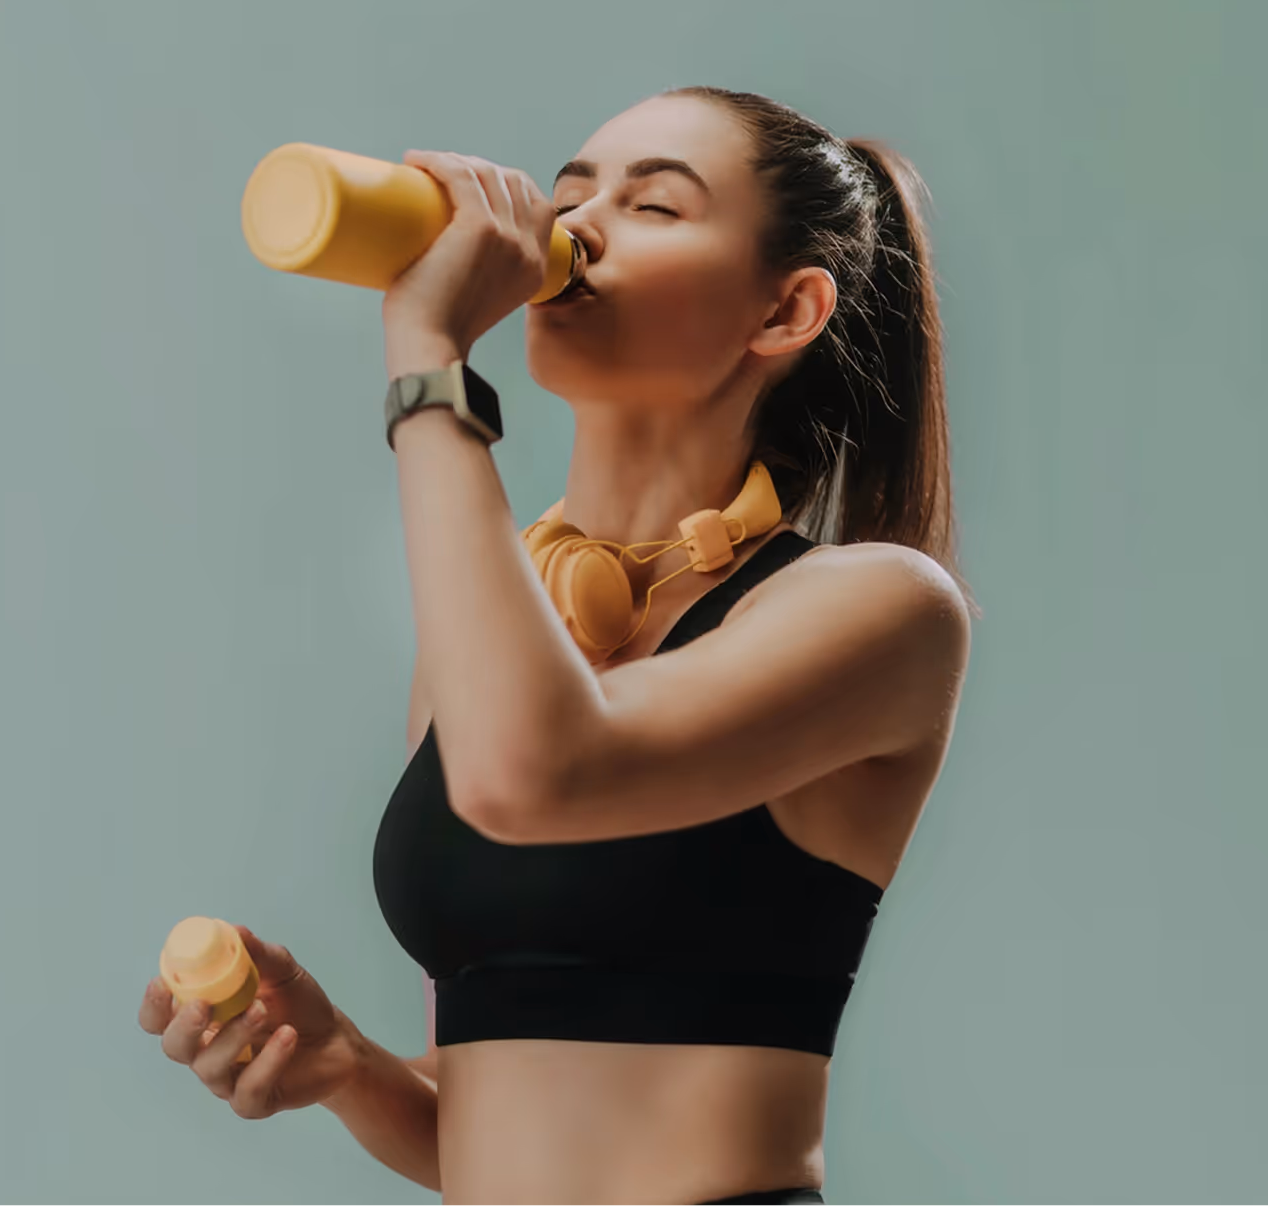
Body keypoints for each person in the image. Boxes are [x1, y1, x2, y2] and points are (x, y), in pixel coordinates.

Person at [137, 87, 973, 1205]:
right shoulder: (502, 623)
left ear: (784, 310)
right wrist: (347, 1064)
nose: (571, 231)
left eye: (654, 205)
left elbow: (537, 772)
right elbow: (513, 1126)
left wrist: (428, 362)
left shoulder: (880, 610)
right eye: (569, 194)